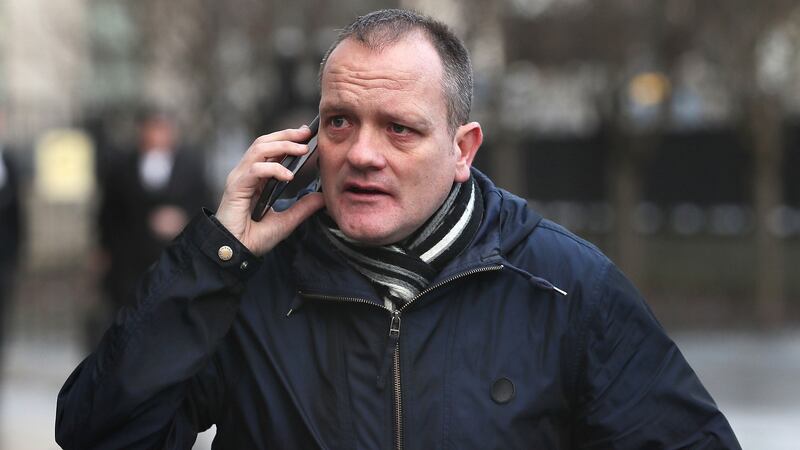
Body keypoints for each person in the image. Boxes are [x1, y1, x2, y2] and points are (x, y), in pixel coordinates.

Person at [57, 9, 740, 449]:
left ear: (462, 150)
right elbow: (99, 434)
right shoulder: (248, 283)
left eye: (400, 129)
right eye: (340, 121)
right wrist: (211, 259)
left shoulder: (564, 287)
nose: (361, 153)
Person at [88, 111, 212, 347]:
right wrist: (103, 250)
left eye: (161, 129)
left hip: (176, 258)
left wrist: (182, 219)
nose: (156, 136)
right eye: (151, 129)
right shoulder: (121, 165)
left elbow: (205, 204)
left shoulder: (191, 165)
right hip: (129, 261)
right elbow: (108, 213)